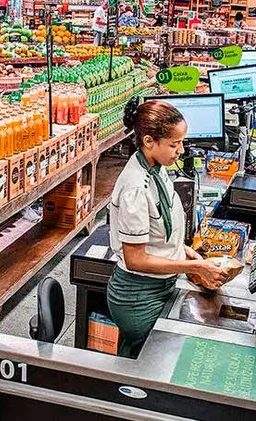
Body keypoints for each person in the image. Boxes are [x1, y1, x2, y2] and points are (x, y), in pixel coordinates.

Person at [107, 101, 229, 358]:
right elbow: (136, 259)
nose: (181, 151)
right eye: (174, 144)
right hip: (138, 295)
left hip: (159, 285)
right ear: (149, 141)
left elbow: (159, 231)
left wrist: (182, 251)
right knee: (141, 366)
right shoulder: (135, 188)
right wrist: (195, 268)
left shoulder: (156, 169)